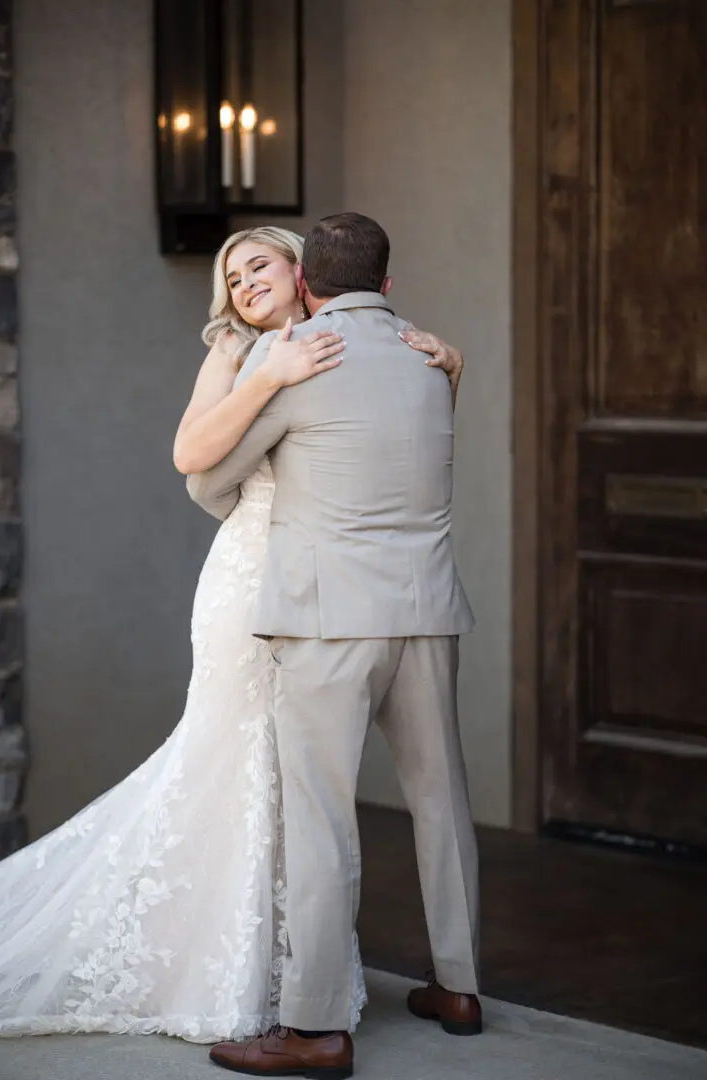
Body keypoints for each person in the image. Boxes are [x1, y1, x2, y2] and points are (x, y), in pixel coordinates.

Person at [0, 225, 463, 1044]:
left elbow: (352, 457)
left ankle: (290, 976)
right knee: (244, 767)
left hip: (320, 594)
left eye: (258, 267)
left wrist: (450, 368)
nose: (244, 285)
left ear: (302, 272)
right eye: (231, 277)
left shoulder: (357, 348)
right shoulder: (250, 355)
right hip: (259, 587)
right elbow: (194, 462)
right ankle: (230, 956)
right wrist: (263, 374)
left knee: (298, 794)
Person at [188, 213, 480, 1080]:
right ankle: (460, 989)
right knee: (443, 802)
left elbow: (208, 479)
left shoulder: (302, 361)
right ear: (386, 286)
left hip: (326, 621)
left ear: (308, 284)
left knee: (320, 816)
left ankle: (314, 1028)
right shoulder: (434, 361)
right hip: (425, 611)